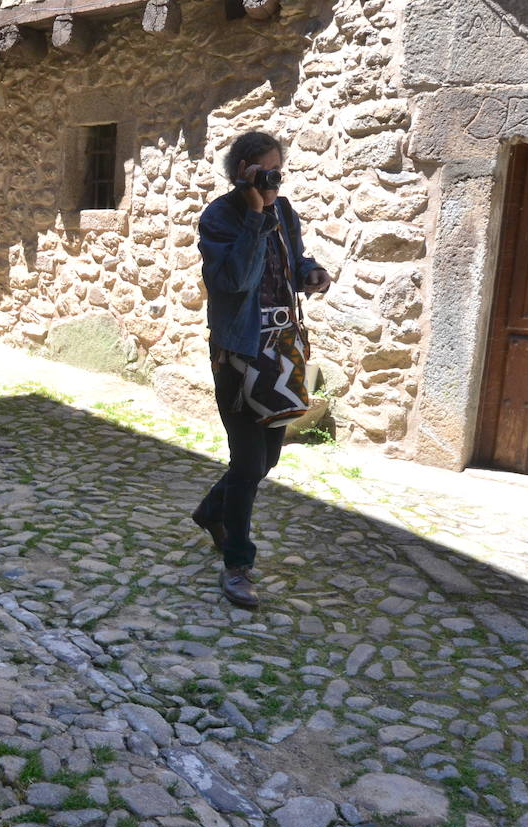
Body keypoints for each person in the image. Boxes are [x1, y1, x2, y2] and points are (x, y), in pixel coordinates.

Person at [192, 130, 331, 608]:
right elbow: (234, 281)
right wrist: (254, 213)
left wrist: (310, 271)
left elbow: (290, 263)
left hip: (282, 350)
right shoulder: (220, 217)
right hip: (239, 354)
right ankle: (238, 565)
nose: (274, 182)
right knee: (249, 462)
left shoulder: (284, 212)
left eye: (278, 173)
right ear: (244, 172)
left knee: (268, 458)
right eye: (265, 173)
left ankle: (213, 510)